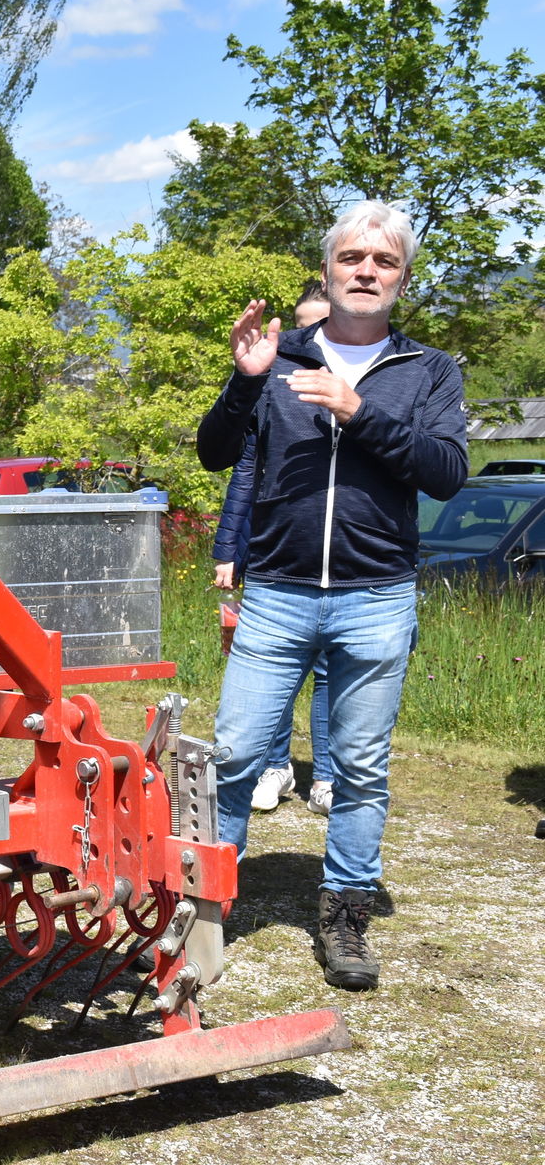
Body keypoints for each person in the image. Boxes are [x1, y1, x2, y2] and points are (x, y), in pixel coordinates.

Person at [196, 200, 466, 991]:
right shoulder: (279, 358)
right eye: (352, 258)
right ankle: (206, 898)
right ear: (327, 269)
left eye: (383, 262)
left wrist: (359, 411)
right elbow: (217, 454)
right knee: (238, 750)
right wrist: (246, 384)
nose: (365, 271)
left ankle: (344, 911)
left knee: (358, 766)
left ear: (402, 279)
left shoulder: (430, 370)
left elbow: (447, 473)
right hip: (278, 591)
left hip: (378, 595)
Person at [211, 281, 334, 816]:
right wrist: (227, 549)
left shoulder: (368, 380)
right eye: (302, 324)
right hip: (272, 559)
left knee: (332, 676)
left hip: (345, 571)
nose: (308, 335)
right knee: (272, 671)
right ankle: (274, 766)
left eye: (319, 323)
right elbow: (241, 473)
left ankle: (328, 777)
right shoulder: (272, 380)